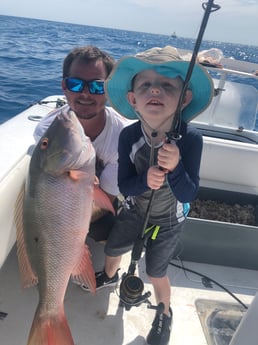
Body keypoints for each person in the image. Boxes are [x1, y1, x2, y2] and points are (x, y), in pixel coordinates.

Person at [83, 46, 214, 345]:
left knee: (156, 272)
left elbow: (188, 192)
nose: (155, 89)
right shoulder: (129, 136)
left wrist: (177, 167)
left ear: (184, 100)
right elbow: (126, 186)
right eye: (145, 85)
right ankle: (110, 276)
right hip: (134, 210)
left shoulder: (192, 139)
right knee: (114, 248)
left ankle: (164, 312)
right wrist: (146, 179)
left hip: (170, 219)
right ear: (133, 101)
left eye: (167, 85)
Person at [34, 46, 130, 241]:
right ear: (64, 86)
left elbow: (107, 199)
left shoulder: (122, 137)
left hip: (96, 203)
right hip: (56, 208)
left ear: (109, 90)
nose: (85, 94)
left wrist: (72, 226)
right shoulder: (46, 132)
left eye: (96, 86)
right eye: (76, 84)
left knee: (114, 230)